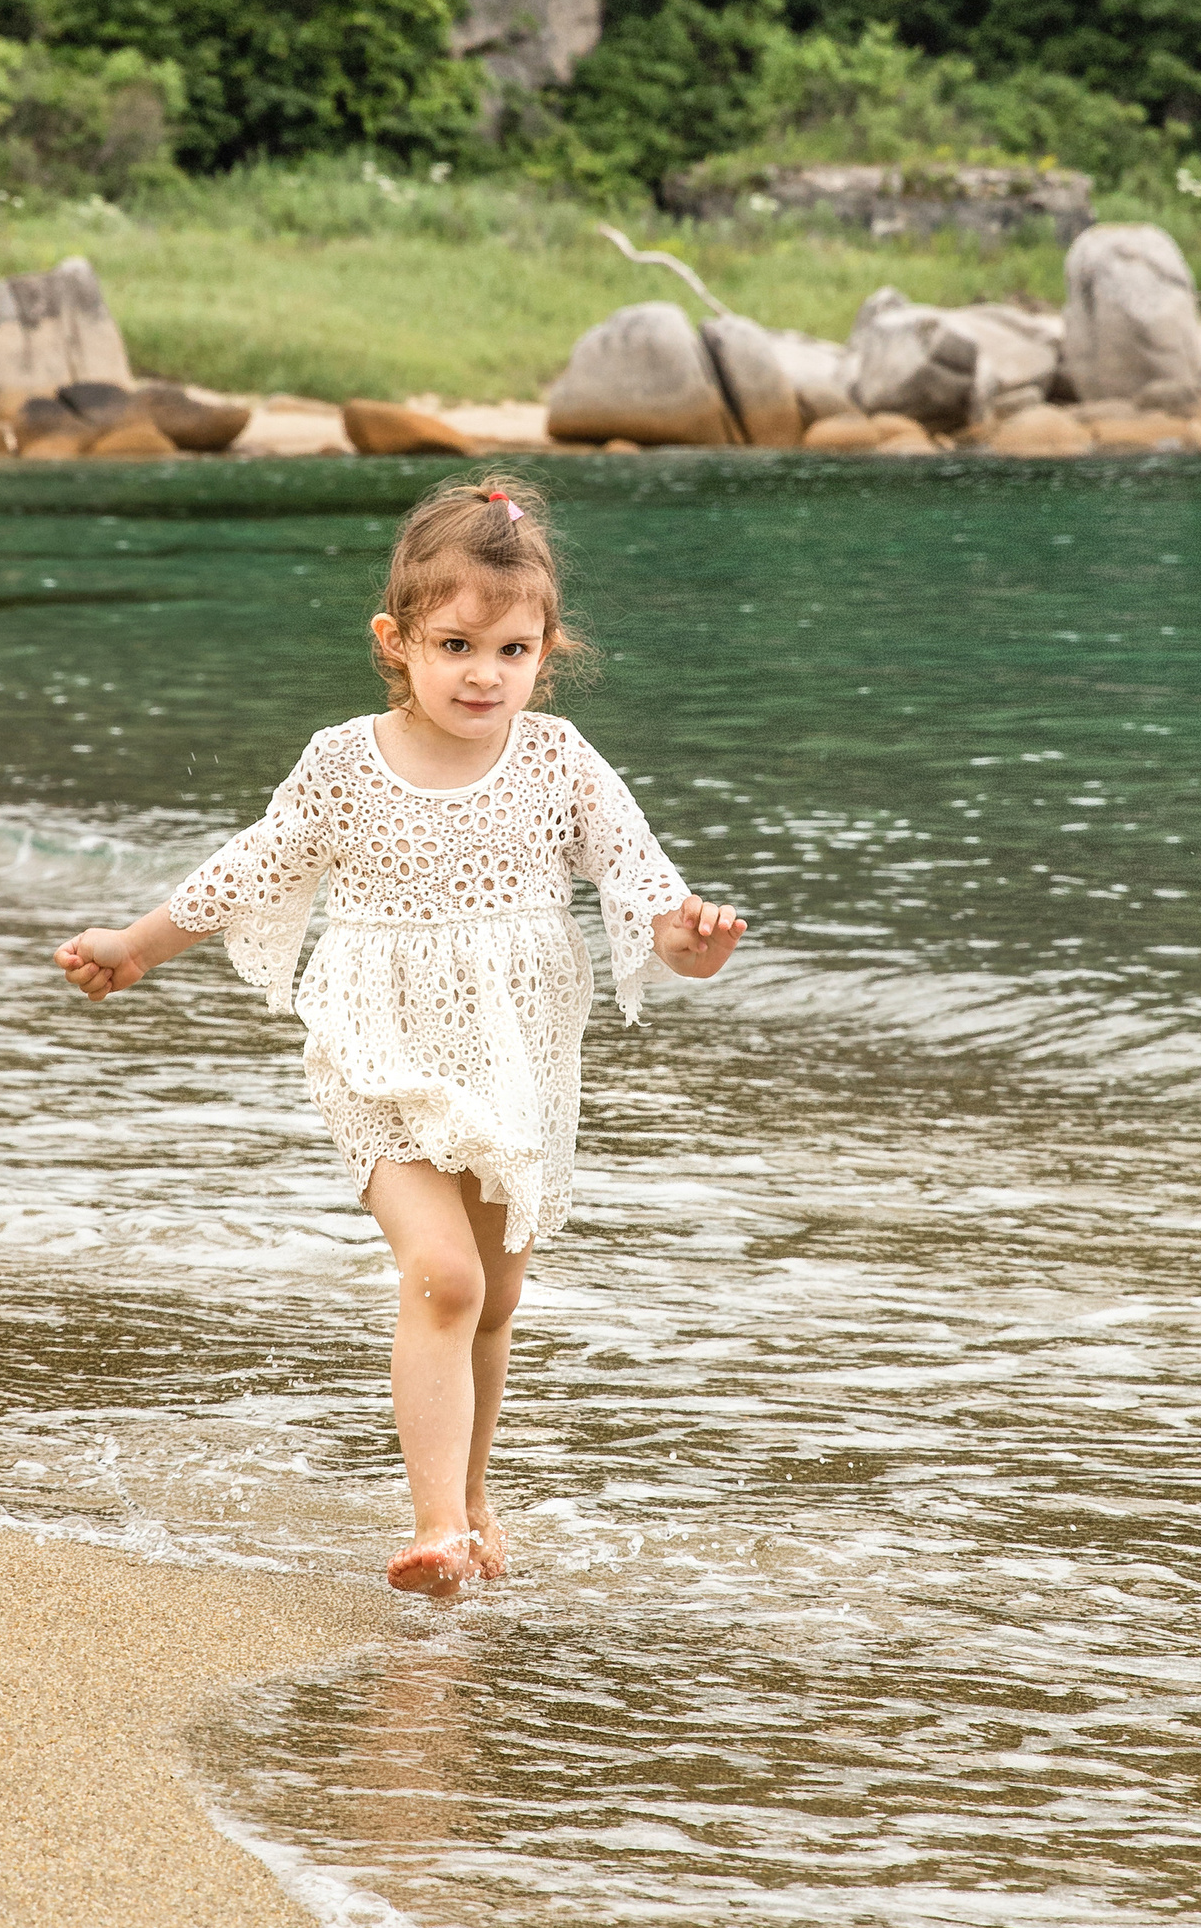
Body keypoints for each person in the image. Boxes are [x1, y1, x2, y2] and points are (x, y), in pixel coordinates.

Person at [57, 473, 742, 1596]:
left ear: (547, 648)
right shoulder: (342, 764)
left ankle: (473, 1501)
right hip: (375, 1048)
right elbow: (251, 866)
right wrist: (134, 947)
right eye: (458, 644)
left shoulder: (559, 761)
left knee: (497, 1296)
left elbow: (647, 893)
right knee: (442, 1277)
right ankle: (433, 1526)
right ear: (398, 639)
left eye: (513, 651)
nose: (485, 675)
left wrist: (691, 943)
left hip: (517, 1060)